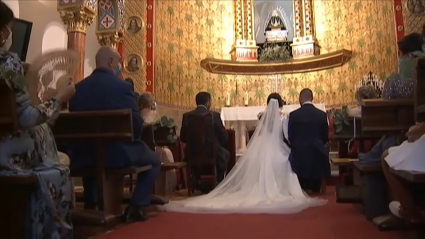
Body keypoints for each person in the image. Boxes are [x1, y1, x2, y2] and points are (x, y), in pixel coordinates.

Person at [161, 94, 326, 214]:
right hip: (272, 148)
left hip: (196, 153)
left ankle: (199, 182)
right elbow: (286, 136)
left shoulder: (261, 115)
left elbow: (183, 137)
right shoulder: (283, 117)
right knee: (286, 159)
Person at [0, 2, 75, 237]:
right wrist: (60, 98)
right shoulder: (8, 62)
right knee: (59, 163)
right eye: (10, 29)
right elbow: (25, 117)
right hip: (6, 153)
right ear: (2, 31)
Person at [68, 46, 162, 222]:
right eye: (119, 61)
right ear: (111, 62)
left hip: (84, 155)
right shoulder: (123, 87)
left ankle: (91, 202)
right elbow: (135, 125)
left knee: (92, 148)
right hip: (116, 154)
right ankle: (136, 206)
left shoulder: (77, 89)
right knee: (155, 160)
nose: (120, 65)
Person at [180, 92, 229, 188]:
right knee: (226, 154)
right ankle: (219, 181)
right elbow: (224, 136)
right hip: (212, 152)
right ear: (207, 102)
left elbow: (183, 138)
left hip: (192, 153)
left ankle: (197, 180)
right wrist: (218, 144)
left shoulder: (187, 116)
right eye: (210, 101)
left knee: (193, 154)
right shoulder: (214, 115)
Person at [286, 88, 330, 193]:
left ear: (300, 98)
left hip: (299, 153)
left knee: (297, 154)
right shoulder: (322, 115)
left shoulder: (294, 115)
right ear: (312, 98)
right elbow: (325, 136)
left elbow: (291, 136)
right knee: (319, 152)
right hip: (317, 151)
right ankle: (316, 184)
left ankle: (301, 185)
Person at [139, 92, 177, 195]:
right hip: (151, 147)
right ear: (151, 103)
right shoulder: (153, 114)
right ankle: (166, 187)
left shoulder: (138, 114)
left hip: (140, 146)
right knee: (167, 153)